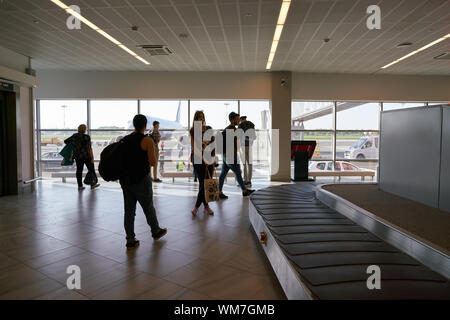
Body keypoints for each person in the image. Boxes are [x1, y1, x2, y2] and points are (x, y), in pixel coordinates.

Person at [120, 115, 167, 248]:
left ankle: (130, 239)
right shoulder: (147, 140)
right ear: (145, 125)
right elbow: (153, 162)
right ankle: (155, 231)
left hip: (126, 180)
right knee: (148, 207)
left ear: (134, 125)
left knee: (129, 211)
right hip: (141, 179)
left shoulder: (125, 140)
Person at [218, 112, 255, 199]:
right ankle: (244, 191)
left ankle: (219, 191)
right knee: (238, 173)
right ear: (233, 119)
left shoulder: (227, 129)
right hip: (230, 156)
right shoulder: (232, 129)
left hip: (225, 155)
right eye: (237, 119)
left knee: (223, 174)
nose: (239, 121)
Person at [190, 111, 214, 215]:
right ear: (195, 119)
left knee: (206, 184)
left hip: (209, 160)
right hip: (198, 160)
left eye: (202, 117)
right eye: (199, 117)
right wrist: (204, 159)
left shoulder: (208, 129)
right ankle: (199, 207)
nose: (201, 119)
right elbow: (195, 147)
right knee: (202, 184)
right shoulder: (193, 130)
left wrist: (211, 158)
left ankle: (204, 206)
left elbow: (213, 144)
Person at [64, 124, 100, 191]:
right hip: (86, 156)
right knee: (91, 170)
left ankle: (80, 186)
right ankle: (93, 184)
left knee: (79, 171)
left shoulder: (75, 136)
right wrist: (92, 157)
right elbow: (89, 148)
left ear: (78, 129)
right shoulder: (86, 137)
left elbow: (65, 141)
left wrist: (74, 145)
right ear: (84, 129)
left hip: (78, 156)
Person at [238, 116, 256, 187]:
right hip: (250, 146)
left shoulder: (240, 126)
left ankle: (245, 180)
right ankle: (249, 181)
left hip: (242, 146)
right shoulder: (251, 125)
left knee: (244, 164)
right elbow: (254, 137)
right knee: (250, 164)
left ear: (241, 120)